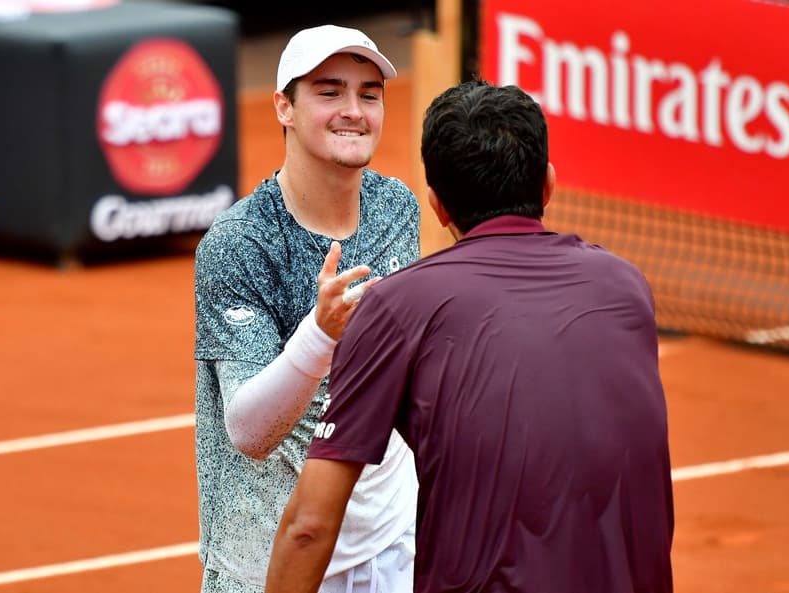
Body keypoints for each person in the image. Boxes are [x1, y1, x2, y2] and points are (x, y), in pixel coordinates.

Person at [265, 80, 674, 593]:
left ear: (437, 205)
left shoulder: (395, 306)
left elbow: (309, 528)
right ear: (547, 184)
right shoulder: (627, 286)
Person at [193, 24, 419, 593]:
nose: (354, 110)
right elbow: (248, 430)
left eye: (369, 94)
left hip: (391, 549)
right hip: (269, 561)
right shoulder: (240, 243)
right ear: (284, 108)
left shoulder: (398, 208)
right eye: (329, 91)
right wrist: (319, 334)